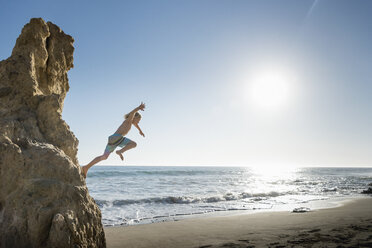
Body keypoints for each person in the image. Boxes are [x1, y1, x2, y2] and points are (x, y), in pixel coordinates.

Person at [81, 102, 146, 178]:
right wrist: (138, 108)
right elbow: (133, 112)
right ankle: (120, 151)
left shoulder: (130, 122)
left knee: (104, 157)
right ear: (134, 117)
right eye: (138, 120)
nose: (138, 122)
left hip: (113, 140)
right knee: (134, 144)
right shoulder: (128, 120)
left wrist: (140, 131)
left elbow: (136, 124)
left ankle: (86, 167)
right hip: (118, 138)